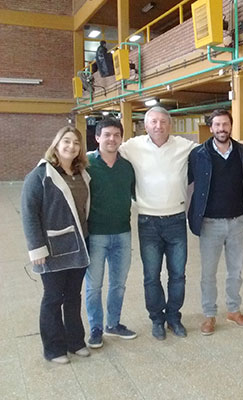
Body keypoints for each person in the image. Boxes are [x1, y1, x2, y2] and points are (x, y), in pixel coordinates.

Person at [119, 106, 197, 340]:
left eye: (163, 121)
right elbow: (106, 150)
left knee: (178, 274)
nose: (158, 126)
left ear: (170, 124)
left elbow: (213, 149)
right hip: (148, 222)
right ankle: (156, 319)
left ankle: (173, 317)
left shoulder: (183, 146)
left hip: (176, 221)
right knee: (151, 276)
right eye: (153, 121)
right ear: (145, 125)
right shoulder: (132, 147)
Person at [21, 126, 91, 364]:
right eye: (66, 141)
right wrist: (36, 248)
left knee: (73, 296)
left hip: (79, 246)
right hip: (52, 249)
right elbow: (29, 213)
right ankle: (53, 349)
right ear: (57, 144)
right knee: (53, 298)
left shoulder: (81, 174)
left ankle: (75, 342)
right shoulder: (40, 175)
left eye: (76, 143)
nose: (71, 146)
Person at [188, 109, 243, 335]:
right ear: (211, 127)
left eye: (225, 124)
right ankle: (209, 314)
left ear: (231, 126)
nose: (221, 129)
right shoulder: (198, 154)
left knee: (236, 270)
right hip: (210, 223)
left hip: (237, 222)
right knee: (208, 273)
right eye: (217, 125)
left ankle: (233, 310)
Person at [85, 118, 137, 349]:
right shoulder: (86, 164)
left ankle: (113, 324)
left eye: (116, 135)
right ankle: (95, 328)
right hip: (96, 235)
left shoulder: (127, 167)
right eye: (107, 134)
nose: (112, 139)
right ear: (97, 137)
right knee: (94, 285)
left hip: (123, 233)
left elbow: (134, 194)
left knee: (118, 284)